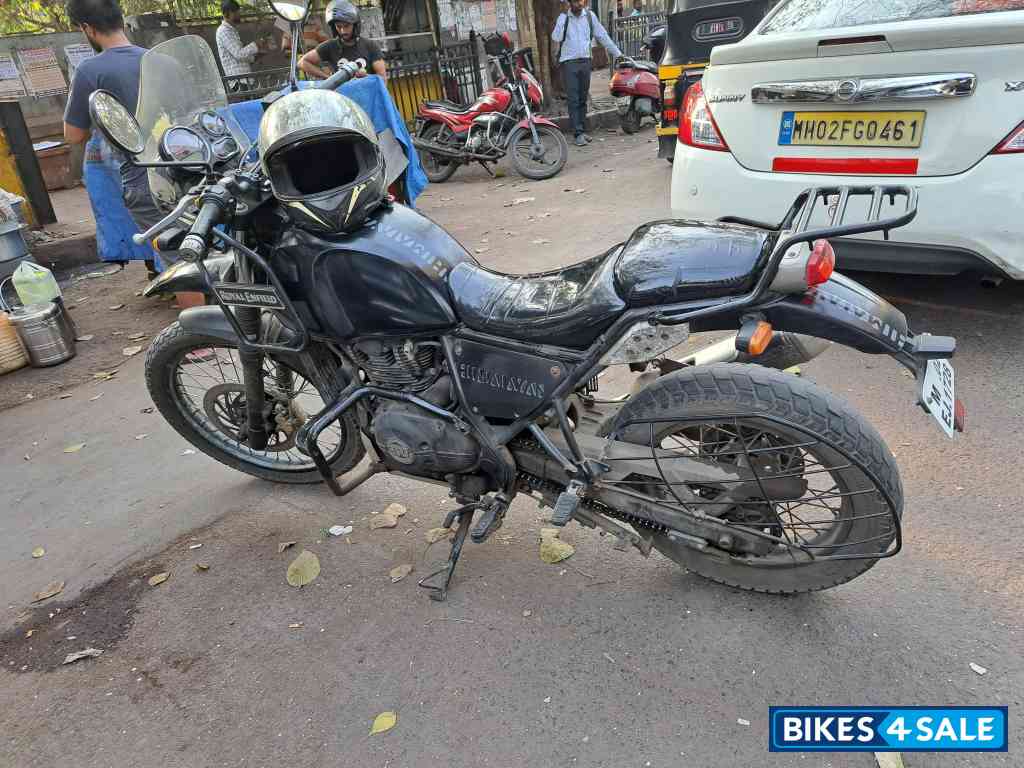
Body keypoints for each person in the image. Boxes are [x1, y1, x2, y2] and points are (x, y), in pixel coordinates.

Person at [63, 0, 160, 276]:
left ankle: (179, 289)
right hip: (177, 165)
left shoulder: (89, 70)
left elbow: (73, 134)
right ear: (120, 19)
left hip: (137, 172)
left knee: (168, 249)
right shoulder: (157, 59)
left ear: (88, 28)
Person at [552, 0, 622, 146]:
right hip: (569, 63)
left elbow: (602, 36)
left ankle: (582, 130)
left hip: (585, 61)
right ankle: (577, 133)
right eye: (575, 1)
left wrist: (618, 54)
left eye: (581, 1)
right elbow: (556, 37)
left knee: (582, 98)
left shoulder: (590, 16)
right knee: (573, 99)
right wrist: (562, 17)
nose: (579, 4)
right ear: (570, 3)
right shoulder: (564, 17)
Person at [299, 1, 386, 82]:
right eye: (339, 26)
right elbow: (302, 62)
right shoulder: (330, 46)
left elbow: (382, 78)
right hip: (341, 93)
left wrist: (366, 76)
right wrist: (327, 78)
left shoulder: (370, 46)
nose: (343, 31)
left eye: (346, 26)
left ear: (355, 25)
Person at [216, 0, 268, 91]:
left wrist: (256, 56)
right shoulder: (224, 31)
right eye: (236, 12)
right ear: (227, 13)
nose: (239, 15)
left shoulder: (231, 31)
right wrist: (256, 44)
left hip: (244, 80)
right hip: (239, 81)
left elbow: (240, 57)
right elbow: (238, 54)